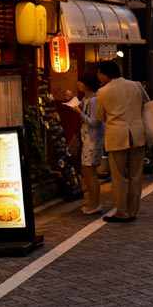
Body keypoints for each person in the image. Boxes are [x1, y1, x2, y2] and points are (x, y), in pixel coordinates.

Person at [96, 60, 146, 223]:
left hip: (117, 136)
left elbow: (100, 116)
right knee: (135, 175)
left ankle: (122, 212)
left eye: (99, 73)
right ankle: (132, 211)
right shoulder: (136, 86)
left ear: (105, 74)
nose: (99, 77)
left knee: (118, 177)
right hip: (137, 135)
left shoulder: (103, 92)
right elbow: (145, 105)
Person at [70, 71, 104, 215]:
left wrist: (79, 112)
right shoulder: (87, 98)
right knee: (87, 172)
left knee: (90, 173)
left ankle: (95, 204)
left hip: (93, 140)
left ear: (87, 84)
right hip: (88, 140)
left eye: (80, 81)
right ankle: (93, 203)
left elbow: (95, 122)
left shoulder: (94, 100)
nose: (78, 83)